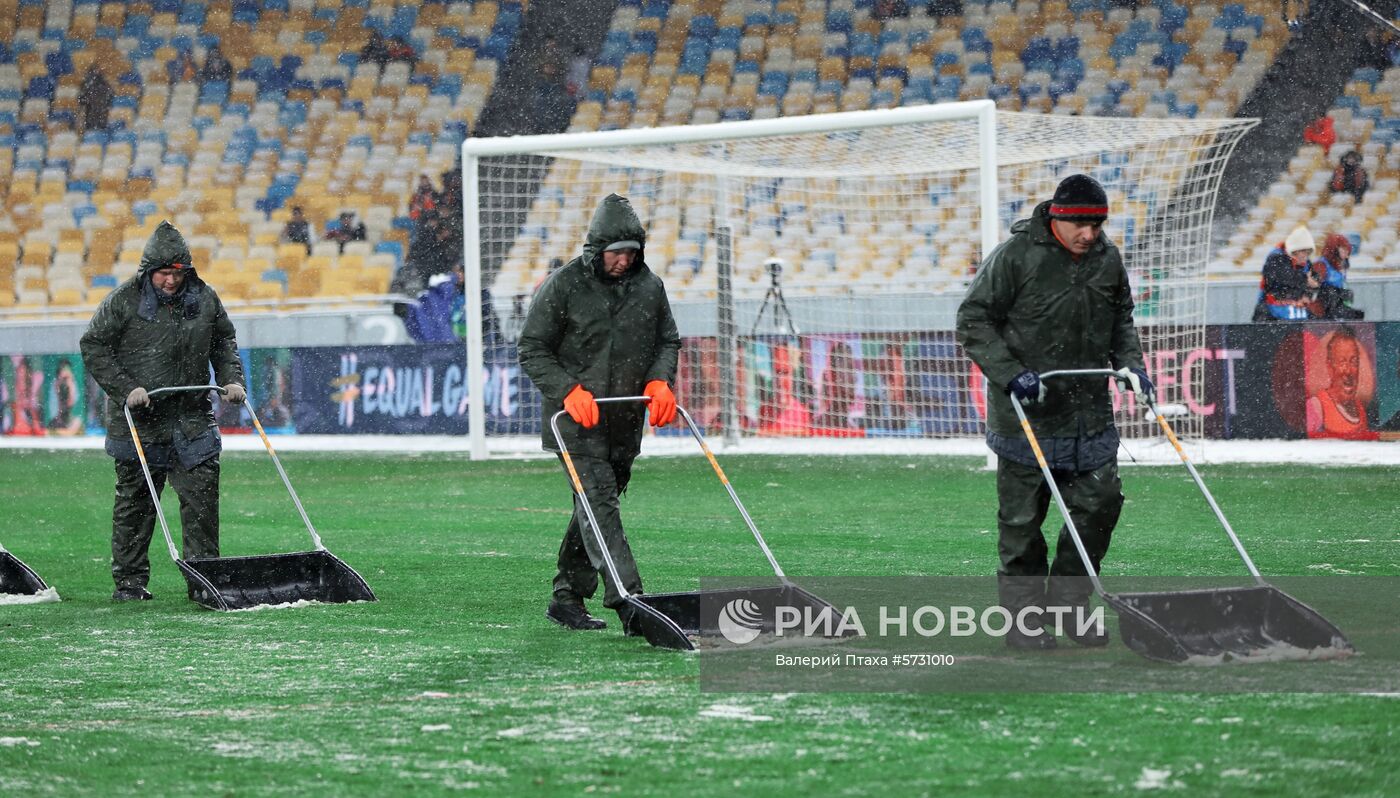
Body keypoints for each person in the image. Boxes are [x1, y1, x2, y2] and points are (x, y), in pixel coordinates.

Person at [956, 174, 1152, 651]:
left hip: (1090, 416)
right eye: (1082, 225)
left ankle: (1069, 610)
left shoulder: (1108, 258)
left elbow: (1121, 318)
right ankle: (1023, 622)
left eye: (1099, 224)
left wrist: (1131, 366)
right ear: (1058, 218)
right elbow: (972, 319)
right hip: (1028, 416)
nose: (1091, 234)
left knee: (1099, 507)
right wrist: (1009, 373)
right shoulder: (1015, 256)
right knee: (1022, 526)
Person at [518, 194, 681, 634]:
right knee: (600, 504)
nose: (624, 260)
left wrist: (659, 381)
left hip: (625, 421)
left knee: (591, 507)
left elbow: (668, 341)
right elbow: (531, 348)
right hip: (576, 424)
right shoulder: (564, 285)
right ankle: (632, 602)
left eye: (631, 252)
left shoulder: (651, 287)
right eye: (616, 252)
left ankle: (566, 598)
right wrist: (567, 390)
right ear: (596, 249)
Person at [79, 221, 246, 602]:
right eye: (163, 273)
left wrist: (232, 379)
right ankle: (130, 584)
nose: (170, 281)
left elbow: (224, 341)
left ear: (187, 270)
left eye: (176, 273)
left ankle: (204, 582)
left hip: (193, 422)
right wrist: (127, 389)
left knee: (202, 506)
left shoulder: (206, 299)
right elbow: (93, 347)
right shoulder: (122, 301)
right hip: (139, 425)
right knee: (135, 509)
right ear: (148, 271)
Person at [1306, 327, 1377, 440]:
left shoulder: (1360, 409)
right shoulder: (1316, 406)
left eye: (1354, 362)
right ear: (1330, 367)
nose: (1348, 371)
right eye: (1342, 362)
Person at [1253, 225, 1320, 321]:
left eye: (1308, 252)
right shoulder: (1276, 257)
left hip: (1296, 312)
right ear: (1294, 250)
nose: (1306, 255)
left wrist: (1308, 294)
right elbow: (1283, 277)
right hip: (1271, 311)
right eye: (1303, 251)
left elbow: (1315, 279)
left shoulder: (1306, 262)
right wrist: (1305, 279)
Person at [1309, 232, 1364, 320]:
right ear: (1334, 249)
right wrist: (1337, 292)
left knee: (1358, 315)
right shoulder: (1321, 265)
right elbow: (1313, 287)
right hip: (1322, 311)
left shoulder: (1339, 268)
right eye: (1344, 249)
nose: (1347, 253)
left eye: (1348, 251)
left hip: (1336, 308)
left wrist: (1344, 294)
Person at [79, 66, 112, 133]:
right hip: (99, 113)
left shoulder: (87, 84)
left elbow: (81, 100)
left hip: (94, 114)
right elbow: (81, 100)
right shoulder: (104, 83)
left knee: (94, 131)